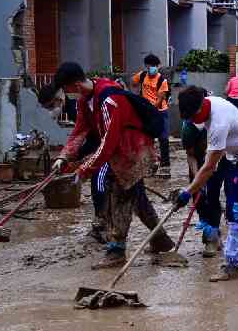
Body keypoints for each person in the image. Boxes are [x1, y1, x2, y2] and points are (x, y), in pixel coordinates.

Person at [51, 62, 174, 269]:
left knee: (119, 198)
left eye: (66, 89)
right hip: (120, 153)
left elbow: (108, 142)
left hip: (133, 152)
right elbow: (79, 132)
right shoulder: (85, 101)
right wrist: (64, 156)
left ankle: (117, 250)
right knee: (137, 198)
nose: (66, 94)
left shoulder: (110, 100)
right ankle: (161, 239)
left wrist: (84, 169)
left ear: (75, 86)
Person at [175, 88, 238, 282]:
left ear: (201, 106)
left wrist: (188, 192)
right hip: (235, 157)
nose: (193, 121)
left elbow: (209, 166)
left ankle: (234, 266)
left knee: (234, 208)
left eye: (194, 117)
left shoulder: (218, 122)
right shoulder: (209, 103)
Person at [180, 95, 227, 258]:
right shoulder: (188, 128)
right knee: (198, 197)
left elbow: (224, 149)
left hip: (218, 158)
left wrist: (210, 171)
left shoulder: (218, 120)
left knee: (212, 196)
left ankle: (211, 239)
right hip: (199, 162)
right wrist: (196, 177)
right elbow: (190, 154)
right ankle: (212, 232)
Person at [132, 54, 171, 178]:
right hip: (146, 111)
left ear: (158, 66)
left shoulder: (162, 80)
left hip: (159, 111)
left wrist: (150, 108)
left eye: (153, 66)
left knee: (163, 138)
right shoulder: (142, 75)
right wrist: (136, 98)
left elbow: (160, 99)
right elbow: (133, 83)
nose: (151, 68)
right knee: (147, 139)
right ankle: (151, 163)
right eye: (148, 66)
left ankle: (165, 166)